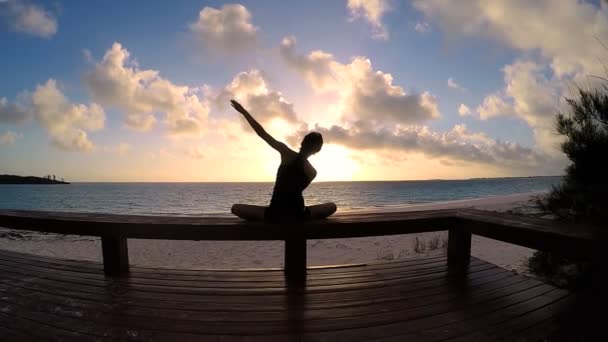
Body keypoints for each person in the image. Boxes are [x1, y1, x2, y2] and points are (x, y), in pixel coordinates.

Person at [229, 100, 337, 222]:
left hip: (275, 213)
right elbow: (293, 192)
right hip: (299, 214)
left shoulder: (285, 152)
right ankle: (303, 211)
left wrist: (244, 112)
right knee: (332, 206)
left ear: (302, 143)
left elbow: (262, 133)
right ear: (317, 150)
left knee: (235, 208)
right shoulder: (313, 172)